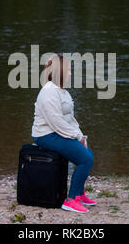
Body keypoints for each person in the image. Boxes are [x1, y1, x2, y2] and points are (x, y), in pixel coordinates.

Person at [31, 53, 96, 213]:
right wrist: (75, 136)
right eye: (68, 70)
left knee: (88, 154)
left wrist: (81, 136)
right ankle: (71, 200)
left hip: (57, 132)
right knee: (85, 159)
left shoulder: (62, 91)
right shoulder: (48, 92)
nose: (70, 73)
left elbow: (69, 119)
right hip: (45, 135)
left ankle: (79, 194)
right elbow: (56, 122)